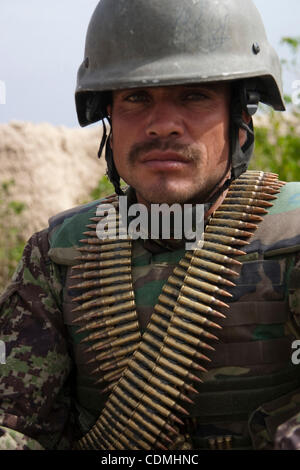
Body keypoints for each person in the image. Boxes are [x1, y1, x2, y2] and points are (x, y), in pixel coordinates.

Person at [1, 0, 300, 451]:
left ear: (240, 114)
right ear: (109, 120)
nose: (161, 125)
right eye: (136, 98)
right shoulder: (59, 256)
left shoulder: (292, 236)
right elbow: (18, 423)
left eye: (194, 95)